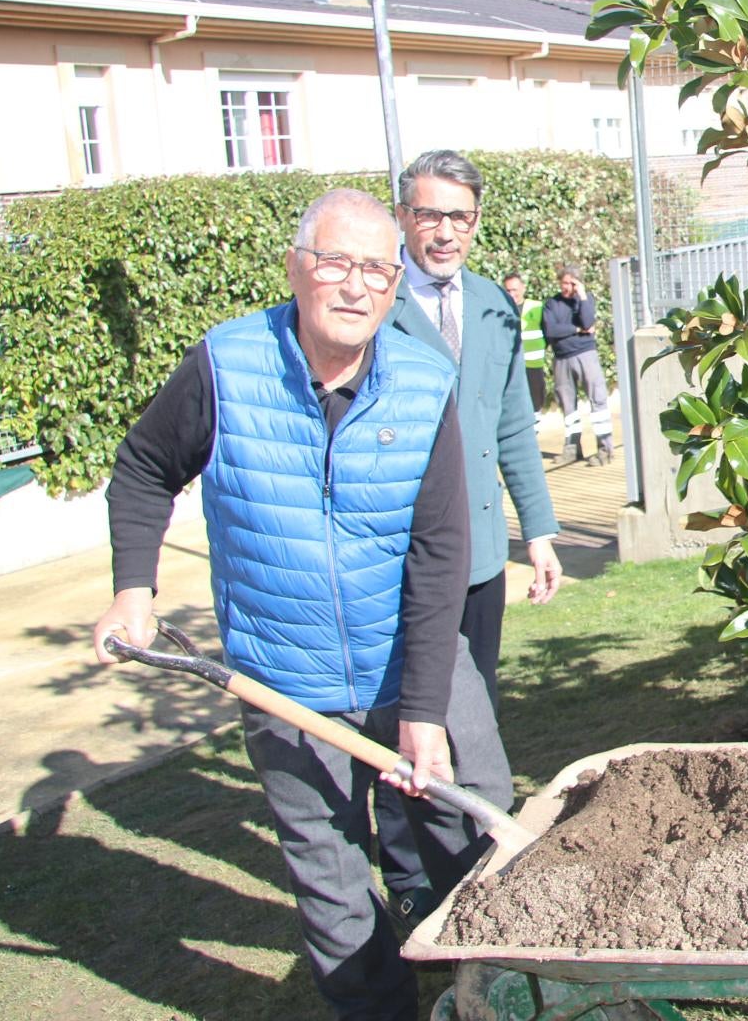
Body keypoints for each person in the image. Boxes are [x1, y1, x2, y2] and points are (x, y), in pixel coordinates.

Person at [92, 189, 514, 1021]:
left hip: (412, 661)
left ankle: (500, 990)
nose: (356, 287)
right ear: (296, 267)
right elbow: (144, 467)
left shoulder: (424, 383)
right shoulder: (227, 365)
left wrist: (424, 709)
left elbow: (439, 553)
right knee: (328, 878)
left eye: (376, 270)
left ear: (395, 287)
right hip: (283, 678)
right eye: (336, 263)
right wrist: (133, 587)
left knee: (480, 835)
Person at [381, 149, 563, 923]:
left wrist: (541, 533)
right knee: (405, 718)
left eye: (458, 216)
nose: (443, 232)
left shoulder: (491, 302)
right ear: (403, 218)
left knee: (475, 709)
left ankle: (472, 856)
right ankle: (411, 870)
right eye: (428, 214)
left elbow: (513, 425)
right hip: (403, 560)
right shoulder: (374, 302)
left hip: (481, 559)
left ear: (476, 222)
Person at [543, 265, 615, 466]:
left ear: (577, 284)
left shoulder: (585, 300)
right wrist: (576, 329)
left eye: (571, 283)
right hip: (561, 358)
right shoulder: (552, 304)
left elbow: (588, 321)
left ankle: (605, 449)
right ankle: (572, 449)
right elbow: (551, 330)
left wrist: (582, 295)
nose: (566, 287)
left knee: (598, 401)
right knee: (568, 406)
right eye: (563, 282)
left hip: (586, 355)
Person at [503, 271, 547, 415]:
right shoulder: (501, 311)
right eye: (508, 290)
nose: (511, 293)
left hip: (533, 365)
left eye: (514, 289)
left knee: (536, 405)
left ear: (523, 288)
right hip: (511, 366)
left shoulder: (537, 307)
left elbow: (549, 332)